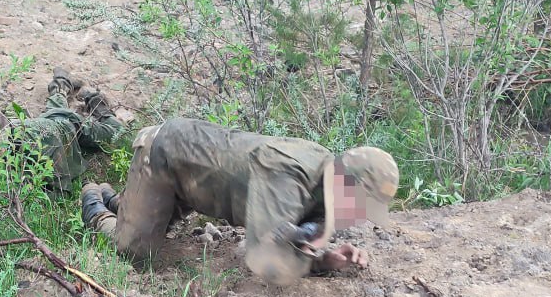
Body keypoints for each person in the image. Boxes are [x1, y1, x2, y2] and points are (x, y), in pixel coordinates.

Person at [79, 117, 400, 286]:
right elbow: (268, 262)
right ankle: (95, 203)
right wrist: (316, 261)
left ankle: (121, 202)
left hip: (194, 178)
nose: (357, 216)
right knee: (135, 254)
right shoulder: (288, 176)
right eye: (360, 205)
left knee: (149, 222)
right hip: (164, 157)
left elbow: (296, 229)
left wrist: (326, 254)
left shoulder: (325, 176)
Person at [11, 68, 125, 193]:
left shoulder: (25, 147)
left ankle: (96, 101)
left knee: (118, 131)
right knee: (56, 112)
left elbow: (61, 188)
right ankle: (61, 83)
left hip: (70, 127)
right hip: (49, 122)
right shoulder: (9, 132)